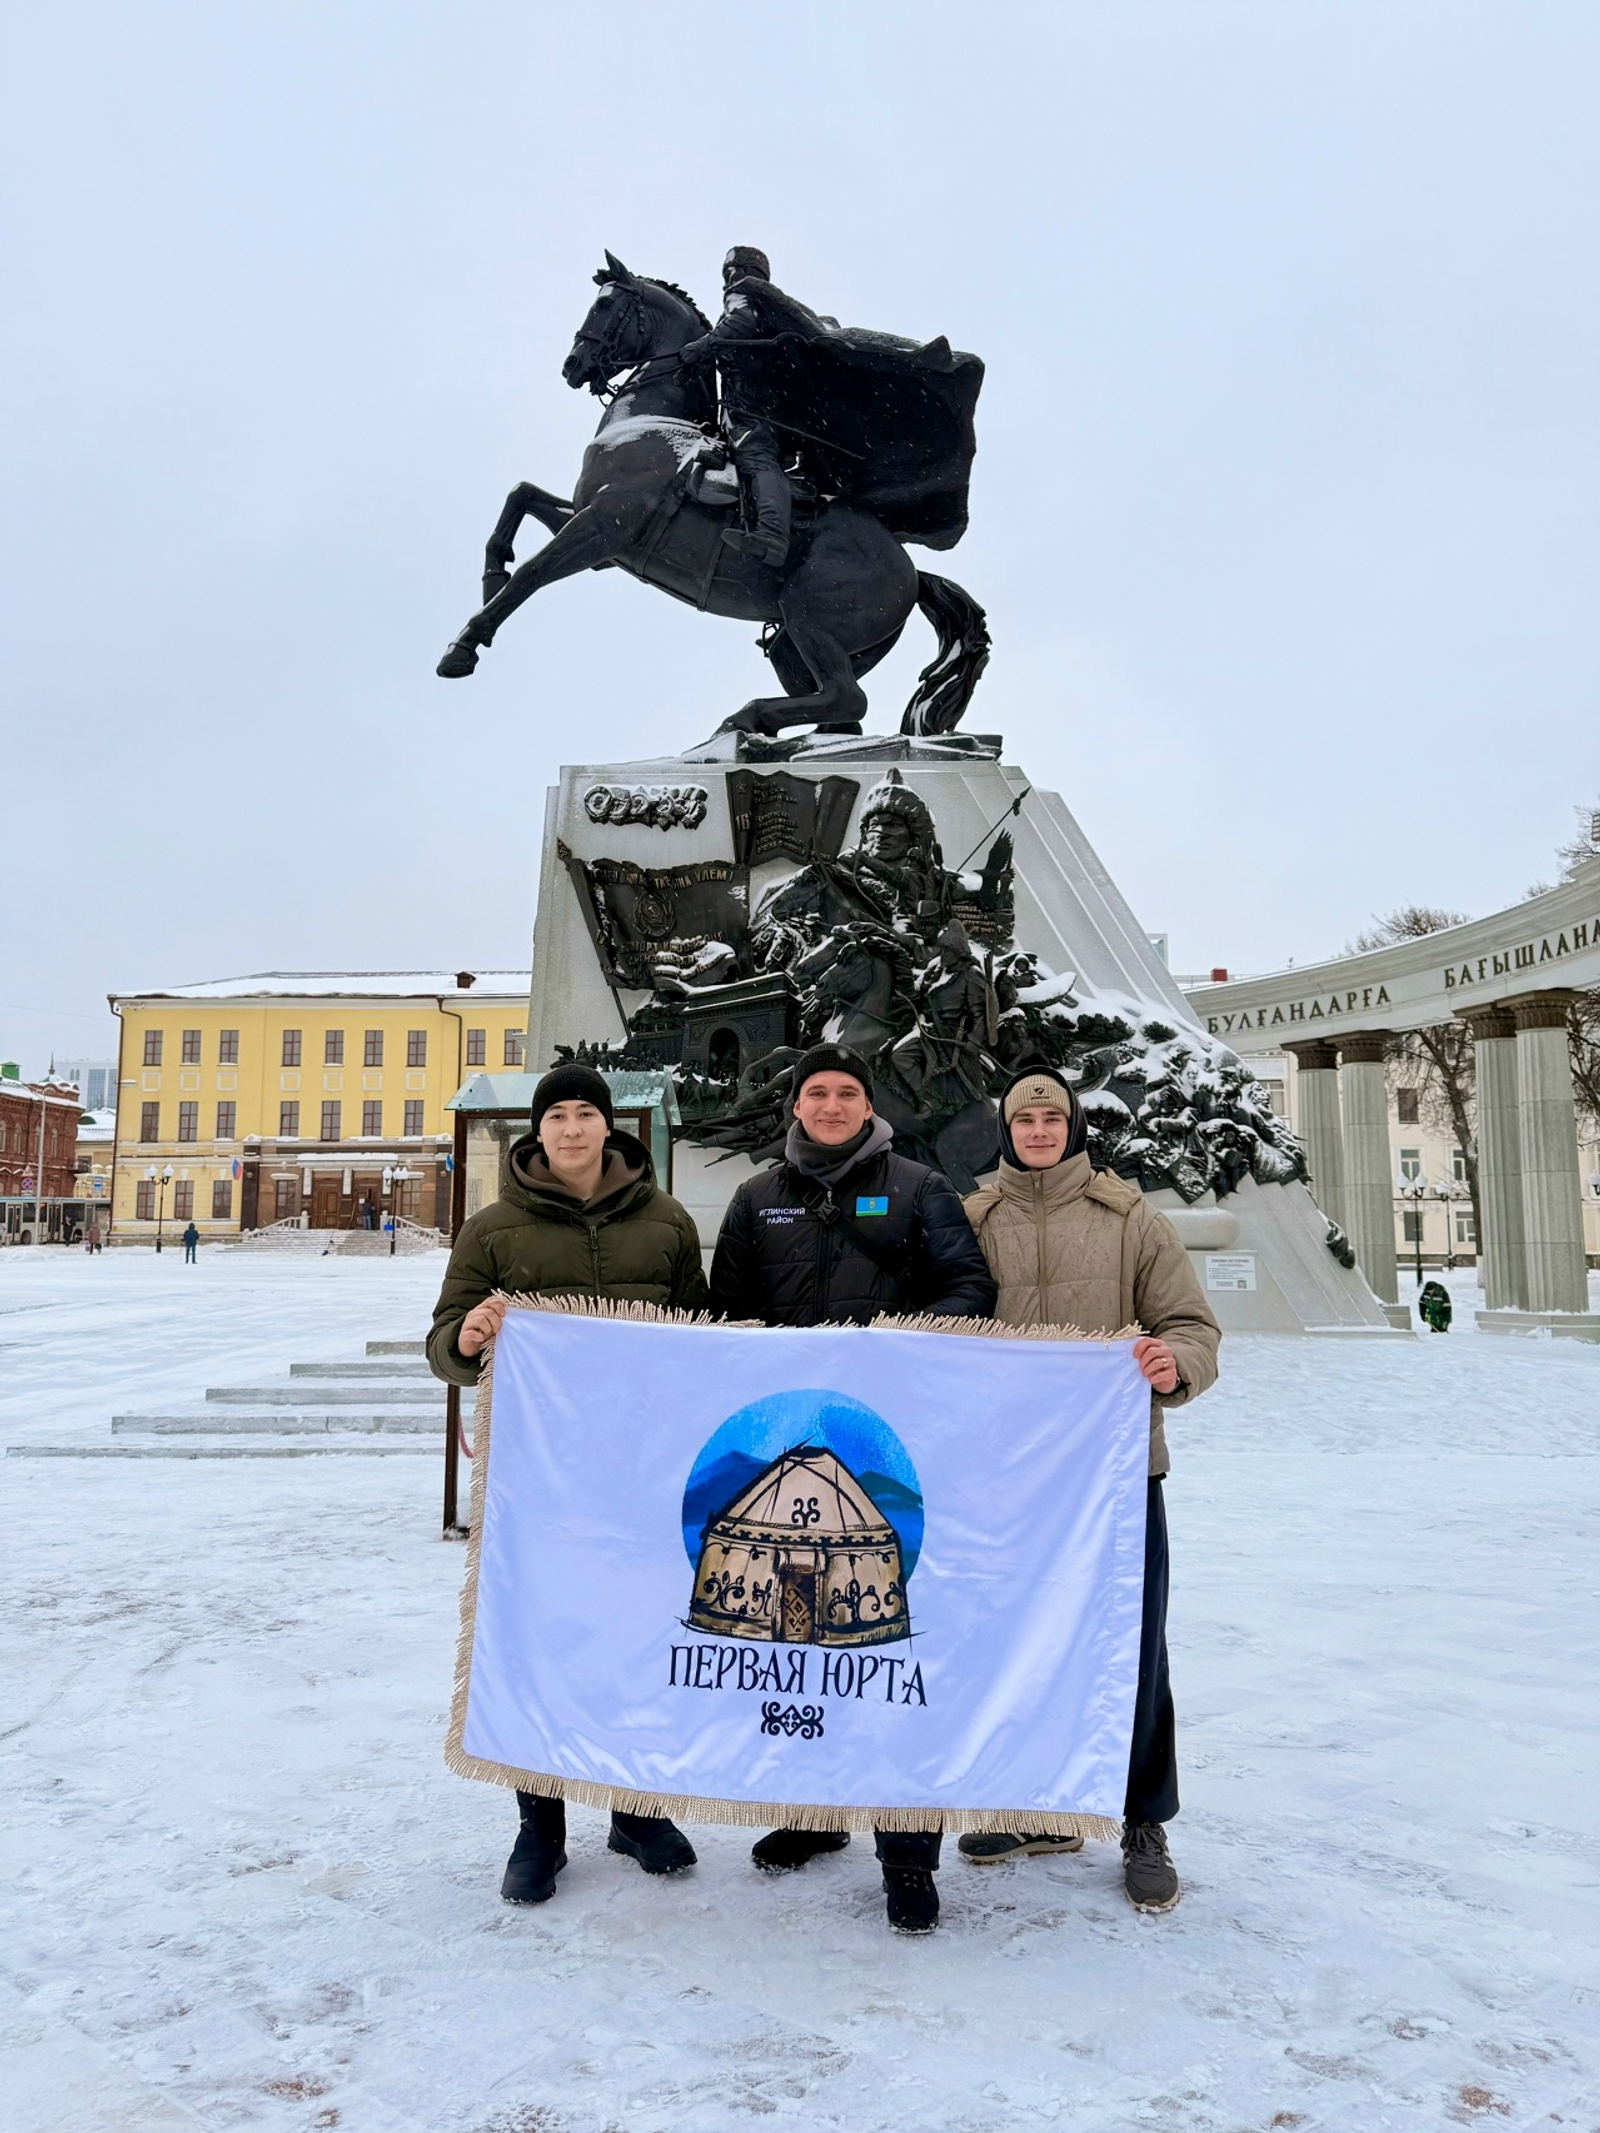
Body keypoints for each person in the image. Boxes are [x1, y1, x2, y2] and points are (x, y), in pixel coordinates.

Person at [708, 1042, 997, 1933]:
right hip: (793, 1442)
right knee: (801, 1638)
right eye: (816, 1093)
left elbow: (970, 1287)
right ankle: (814, 1808)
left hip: (891, 1444)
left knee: (891, 1644)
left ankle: (908, 1852)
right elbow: (725, 1316)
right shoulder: (756, 1198)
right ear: (795, 1106)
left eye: (847, 1093)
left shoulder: (919, 1187)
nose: (831, 1105)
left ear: (868, 1106)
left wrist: (891, 1344)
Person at [427, 1064, 710, 1907]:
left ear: (609, 1125)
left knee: (642, 1634)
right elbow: (443, 1344)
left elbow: (703, 1334)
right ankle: (539, 1824)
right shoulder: (492, 1229)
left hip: (642, 1473)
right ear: (538, 1129)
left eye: (587, 1112)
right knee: (538, 1641)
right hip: (538, 1479)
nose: (574, 1127)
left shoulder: (666, 1221)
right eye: (559, 1115)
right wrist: (467, 1335)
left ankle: (635, 1808)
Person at [952, 1066, 1220, 1911]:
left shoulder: (1130, 1217)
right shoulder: (971, 1218)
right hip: (1009, 1484)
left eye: (1052, 1117)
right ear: (1005, 1129)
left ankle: (1143, 1819)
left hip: (1115, 1479)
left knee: (1131, 1648)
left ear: (1073, 1126)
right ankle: (1037, 1808)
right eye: (1024, 1119)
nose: (1039, 1130)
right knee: (1017, 1642)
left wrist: (1177, 1364)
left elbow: (1191, 1324)